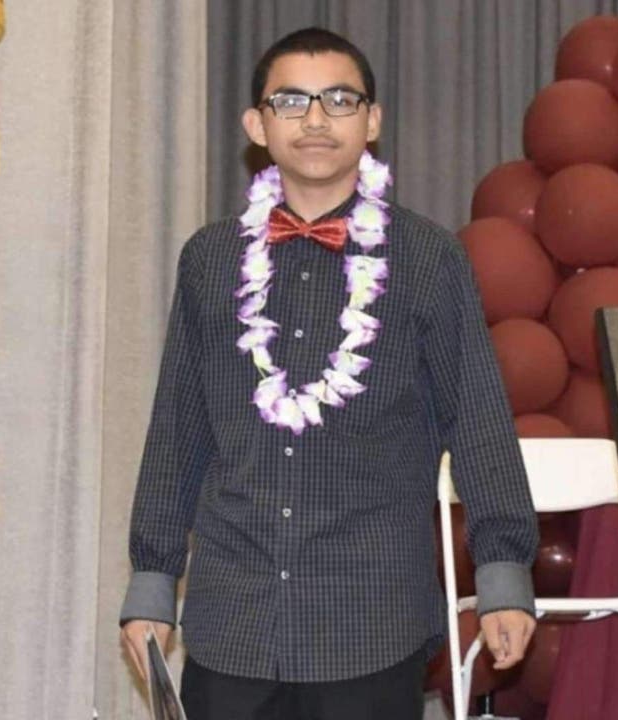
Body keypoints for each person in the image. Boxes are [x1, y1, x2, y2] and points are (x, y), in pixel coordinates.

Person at [119, 27, 539, 720]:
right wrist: (153, 581)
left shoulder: (428, 258)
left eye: (339, 100)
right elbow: (178, 429)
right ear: (257, 124)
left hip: (370, 621)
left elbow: (478, 420)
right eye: (291, 101)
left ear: (372, 121)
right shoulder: (210, 260)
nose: (315, 119)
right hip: (232, 623)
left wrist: (502, 574)